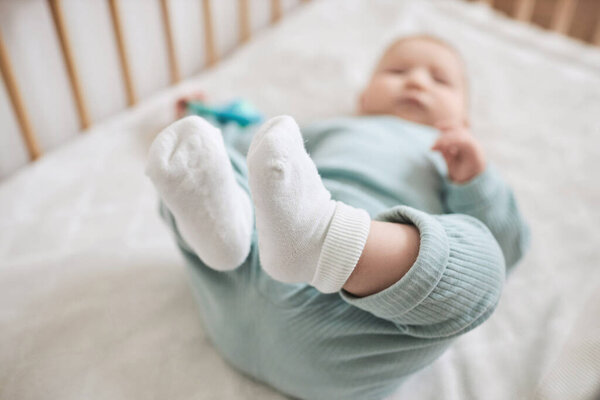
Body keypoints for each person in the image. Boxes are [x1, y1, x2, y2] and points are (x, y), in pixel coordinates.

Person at [145, 34, 530, 400]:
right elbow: (254, 150)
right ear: (364, 98)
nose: (416, 81)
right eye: (396, 72)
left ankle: (320, 238)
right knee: (207, 167)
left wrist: (476, 181)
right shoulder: (332, 128)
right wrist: (210, 118)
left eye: (440, 80)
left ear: (464, 120)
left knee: (485, 261)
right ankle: (233, 231)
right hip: (238, 268)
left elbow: (507, 243)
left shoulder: (451, 157)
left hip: (347, 328)